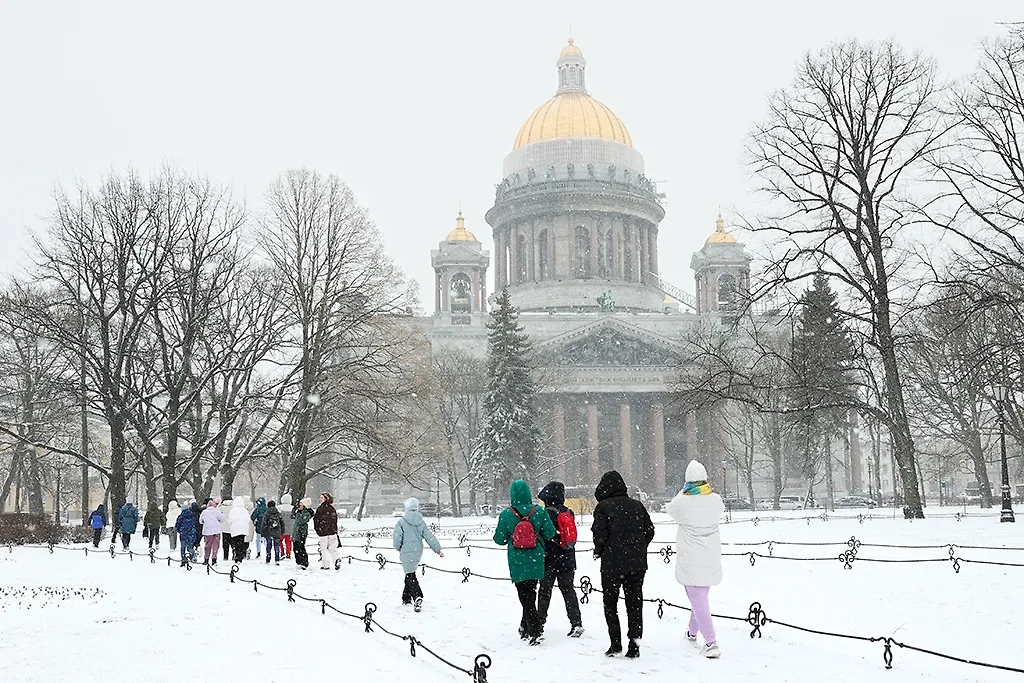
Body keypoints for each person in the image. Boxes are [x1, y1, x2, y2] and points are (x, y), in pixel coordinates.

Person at [592, 470, 655, 659]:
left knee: (610, 603)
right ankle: (634, 645)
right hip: (637, 564)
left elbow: (600, 535)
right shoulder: (637, 506)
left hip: (612, 564)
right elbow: (650, 531)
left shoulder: (603, 507)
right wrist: (638, 547)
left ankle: (615, 644)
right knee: (635, 603)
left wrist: (599, 550)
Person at [665, 460, 724, 659]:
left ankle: (711, 642)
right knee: (700, 599)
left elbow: (670, 509)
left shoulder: (682, 501)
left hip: (691, 557)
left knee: (698, 600)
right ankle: (691, 634)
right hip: (710, 556)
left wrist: (684, 491)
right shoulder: (716, 501)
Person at [493, 479, 556, 646]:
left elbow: (499, 539)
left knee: (525, 595)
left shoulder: (506, 514)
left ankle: (535, 630)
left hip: (517, 561)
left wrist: (512, 535)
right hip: (536, 558)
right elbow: (550, 533)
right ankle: (525, 626)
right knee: (530, 593)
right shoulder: (540, 511)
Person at [536, 482, 583, 638]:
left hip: (549, 559)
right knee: (568, 590)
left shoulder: (546, 513)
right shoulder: (568, 511)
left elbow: (544, 535)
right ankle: (576, 623)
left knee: (544, 592)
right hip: (568, 557)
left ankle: (540, 623)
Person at [393, 498, 444, 611]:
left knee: (410, 574)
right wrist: (438, 549)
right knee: (410, 572)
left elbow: (397, 538)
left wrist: (398, 548)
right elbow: (429, 536)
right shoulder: (421, 522)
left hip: (405, 551)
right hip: (417, 551)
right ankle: (406, 598)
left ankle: (417, 595)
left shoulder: (401, 522)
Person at [313, 492, 340, 570]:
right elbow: (335, 520)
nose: (320, 499)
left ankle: (326, 564)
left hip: (323, 532)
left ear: (325, 499)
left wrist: (318, 529)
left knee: (324, 549)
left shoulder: (320, 509)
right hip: (332, 532)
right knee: (333, 548)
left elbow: (316, 520)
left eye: (321, 498)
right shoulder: (332, 509)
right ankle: (336, 559)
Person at [199, 500, 227, 565]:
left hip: (207, 531)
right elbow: (223, 519)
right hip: (216, 531)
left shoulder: (204, 512)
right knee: (215, 546)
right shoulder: (217, 512)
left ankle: (206, 559)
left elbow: (200, 521)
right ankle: (214, 559)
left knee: (207, 546)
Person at [291, 498, 314, 569]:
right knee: (295, 548)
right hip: (296, 533)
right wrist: (294, 509)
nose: (299, 506)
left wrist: (301, 513)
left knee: (301, 548)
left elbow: (301, 521)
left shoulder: (306, 513)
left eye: (300, 504)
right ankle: (298, 562)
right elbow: (292, 516)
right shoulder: (298, 512)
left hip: (301, 533)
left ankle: (304, 562)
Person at [261, 500, 285, 565]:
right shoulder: (278, 513)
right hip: (277, 532)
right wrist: (282, 531)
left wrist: (263, 532)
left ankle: (268, 559)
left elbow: (264, 523)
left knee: (268, 546)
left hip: (268, 532)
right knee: (276, 546)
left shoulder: (267, 513)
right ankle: (277, 559)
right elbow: (282, 523)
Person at [228, 496, 250, 563]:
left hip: (235, 529)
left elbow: (229, 520)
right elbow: (248, 519)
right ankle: (240, 556)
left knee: (236, 543)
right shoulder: (245, 510)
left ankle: (237, 556)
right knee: (241, 542)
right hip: (243, 529)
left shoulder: (233, 511)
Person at [279, 494, 295, 559]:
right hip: (290, 529)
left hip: (281, 529)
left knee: (279, 541)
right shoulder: (292, 508)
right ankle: (288, 554)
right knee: (288, 542)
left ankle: (282, 552)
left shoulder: (279, 508)